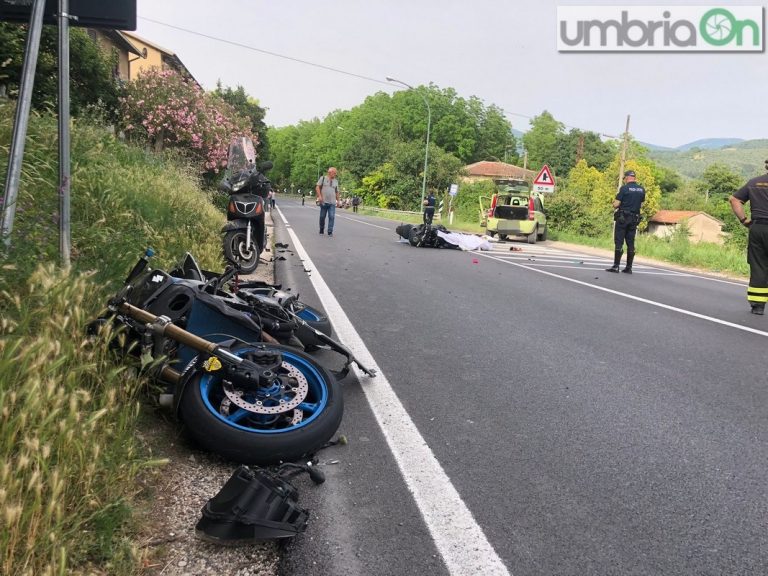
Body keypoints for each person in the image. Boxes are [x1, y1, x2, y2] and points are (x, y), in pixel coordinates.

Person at [729, 160, 768, 315]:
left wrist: (744, 220)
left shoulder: (755, 183)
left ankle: (758, 306)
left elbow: (734, 199)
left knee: (759, 266)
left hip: (758, 228)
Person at [606, 170, 646, 274]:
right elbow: (641, 204)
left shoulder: (624, 188)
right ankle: (629, 267)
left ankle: (616, 266)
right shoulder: (641, 190)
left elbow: (616, 204)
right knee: (630, 242)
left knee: (619, 241)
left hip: (623, 218)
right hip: (634, 219)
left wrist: (613, 202)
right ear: (634, 178)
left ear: (627, 178)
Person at [316, 167, 340, 236]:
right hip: (323, 201)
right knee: (322, 217)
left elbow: (337, 192)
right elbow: (317, 187)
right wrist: (319, 196)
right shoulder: (323, 178)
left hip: (332, 202)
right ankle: (321, 229)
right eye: (334, 173)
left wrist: (338, 201)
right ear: (329, 172)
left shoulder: (336, 181)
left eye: (335, 173)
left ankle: (330, 231)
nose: (335, 174)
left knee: (332, 216)